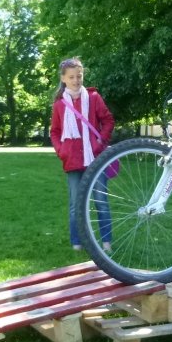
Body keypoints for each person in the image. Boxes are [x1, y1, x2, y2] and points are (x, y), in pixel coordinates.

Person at [50, 57, 115, 252]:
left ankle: (106, 243)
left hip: (96, 159)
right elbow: (54, 131)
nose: (76, 80)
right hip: (72, 160)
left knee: (101, 201)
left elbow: (108, 120)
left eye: (79, 76)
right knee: (76, 204)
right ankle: (77, 243)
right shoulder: (59, 105)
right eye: (71, 77)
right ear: (63, 79)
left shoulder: (94, 98)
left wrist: (99, 142)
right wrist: (61, 150)